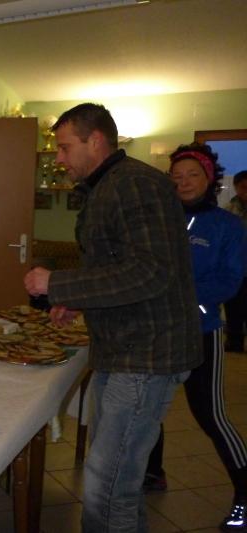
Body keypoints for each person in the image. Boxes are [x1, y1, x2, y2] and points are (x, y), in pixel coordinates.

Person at [23, 103, 202, 532]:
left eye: (65, 147)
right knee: (117, 479)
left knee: (108, 483)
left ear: (96, 141)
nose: (59, 158)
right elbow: (119, 267)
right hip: (122, 350)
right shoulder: (110, 186)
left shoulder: (134, 184)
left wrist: (58, 283)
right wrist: (80, 299)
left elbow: (151, 271)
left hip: (146, 354)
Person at [143, 144, 247, 531]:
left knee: (211, 415)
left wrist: (184, 300)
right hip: (157, 332)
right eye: (176, 176)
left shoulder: (227, 226)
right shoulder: (159, 221)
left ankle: (245, 493)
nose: (183, 183)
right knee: (149, 409)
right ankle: (152, 473)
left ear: (209, 179)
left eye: (192, 175)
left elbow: (230, 280)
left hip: (200, 332)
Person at [224, 170, 247, 352]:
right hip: (234, 268)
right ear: (236, 187)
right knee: (233, 307)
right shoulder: (229, 209)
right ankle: (234, 342)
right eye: (243, 187)